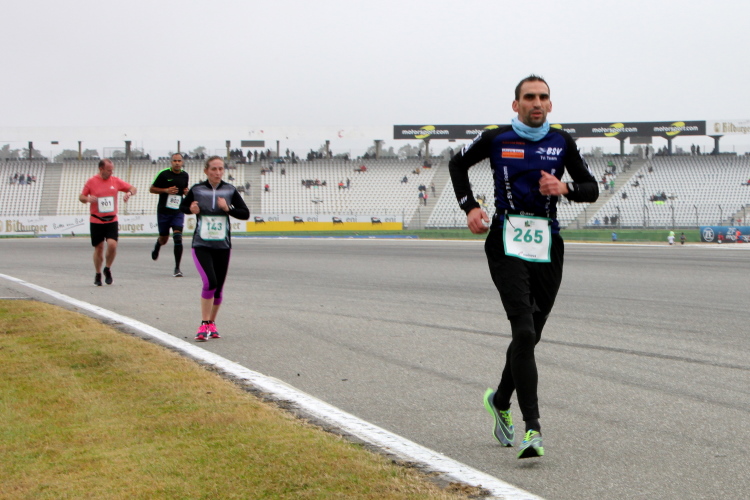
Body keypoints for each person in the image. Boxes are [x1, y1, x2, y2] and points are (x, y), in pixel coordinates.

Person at [448, 75, 599, 459]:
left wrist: (565, 189)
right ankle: (533, 428)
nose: (537, 102)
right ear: (516, 105)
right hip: (506, 239)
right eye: (529, 97)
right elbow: (457, 164)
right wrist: (470, 207)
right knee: (524, 329)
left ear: (550, 104)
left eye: (543, 97)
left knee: (530, 337)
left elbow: (591, 188)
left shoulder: (562, 141)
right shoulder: (496, 138)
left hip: (547, 243)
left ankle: (499, 400)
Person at [180, 156, 249, 342]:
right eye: (214, 169)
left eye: (220, 169)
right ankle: (203, 324)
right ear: (206, 171)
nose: (218, 172)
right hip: (201, 244)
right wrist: (191, 209)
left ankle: (211, 323)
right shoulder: (197, 189)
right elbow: (183, 206)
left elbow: (245, 213)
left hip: (222, 245)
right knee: (209, 282)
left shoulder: (230, 190)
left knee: (218, 288)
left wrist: (228, 209)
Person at [79, 159, 137, 286]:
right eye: (109, 170)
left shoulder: (115, 181)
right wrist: (88, 199)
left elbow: (133, 188)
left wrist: (129, 193)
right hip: (96, 220)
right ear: (101, 169)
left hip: (111, 219)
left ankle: (107, 268)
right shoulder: (91, 181)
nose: (111, 172)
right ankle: (98, 273)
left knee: (112, 245)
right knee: (99, 248)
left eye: (112, 170)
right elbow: (81, 197)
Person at [150, 153, 190, 277]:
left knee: (178, 237)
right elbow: (152, 189)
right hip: (164, 211)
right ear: (171, 162)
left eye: (179, 161)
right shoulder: (164, 174)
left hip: (178, 211)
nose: (177, 163)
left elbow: (185, 190)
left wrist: (186, 192)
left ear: (182, 162)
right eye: (175, 161)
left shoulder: (185, 175)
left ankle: (177, 268)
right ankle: (158, 245)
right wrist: (166, 190)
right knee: (164, 239)